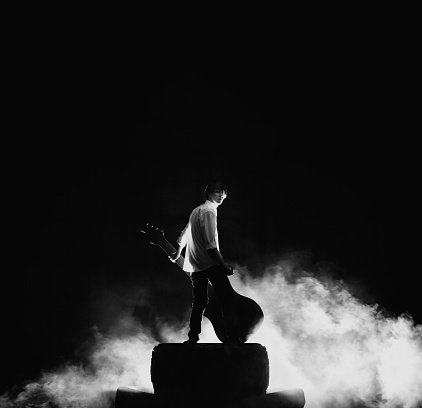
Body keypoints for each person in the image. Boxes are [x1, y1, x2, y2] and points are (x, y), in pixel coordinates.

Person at [169, 181, 237, 344]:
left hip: (196, 266)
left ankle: (193, 337)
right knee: (227, 299)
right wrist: (223, 266)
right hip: (210, 264)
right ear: (209, 193)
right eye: (217, 192)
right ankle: (231, 337)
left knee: (199, 302)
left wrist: (178, 253)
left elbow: (184, 234)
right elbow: (210, 246)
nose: (220, 195)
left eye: (223, 192)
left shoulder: (196, 210)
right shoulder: (209, 212)